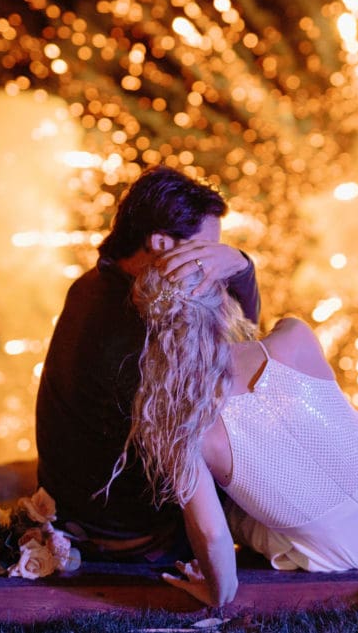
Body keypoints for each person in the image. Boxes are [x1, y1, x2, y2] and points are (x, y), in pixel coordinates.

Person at [118, 265, 358, 606]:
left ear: (154, 338)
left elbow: (212, 533)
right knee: (348, 419)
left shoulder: (184, 429)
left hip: (344, 549)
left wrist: (217, 593)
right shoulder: (293, 336)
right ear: (223, 302)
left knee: (233, 512)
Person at [35, 165, 260, 563]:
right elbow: (245, 359)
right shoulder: (139, 323)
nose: (213, 266)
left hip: (89, 517)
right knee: (268, 432)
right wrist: (241, 267)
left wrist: (235, 262)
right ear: (159, 242)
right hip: (132, 534)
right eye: (205, 252)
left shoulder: (95, 286)